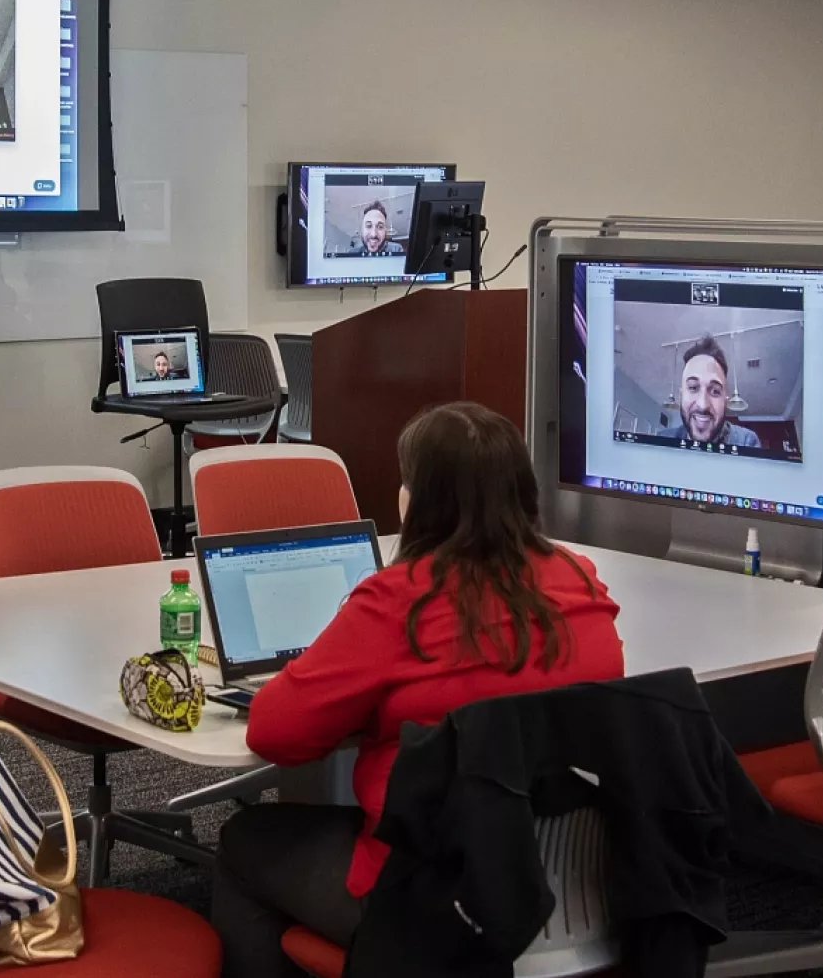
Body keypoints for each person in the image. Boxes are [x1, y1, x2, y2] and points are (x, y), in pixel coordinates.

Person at [211, 402, 624, 978]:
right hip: (575, 889)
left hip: (434, 898)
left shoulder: (399, 601)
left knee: (244, 841)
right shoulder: (580, 580)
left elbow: (274, 732)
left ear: (420, 500)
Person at [664, 335, 761, 450]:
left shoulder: (745, 441)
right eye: (693, 388)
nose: (703, 405)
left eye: (715, 391)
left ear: (725, 399)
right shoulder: (663, 440)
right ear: (681, 396)